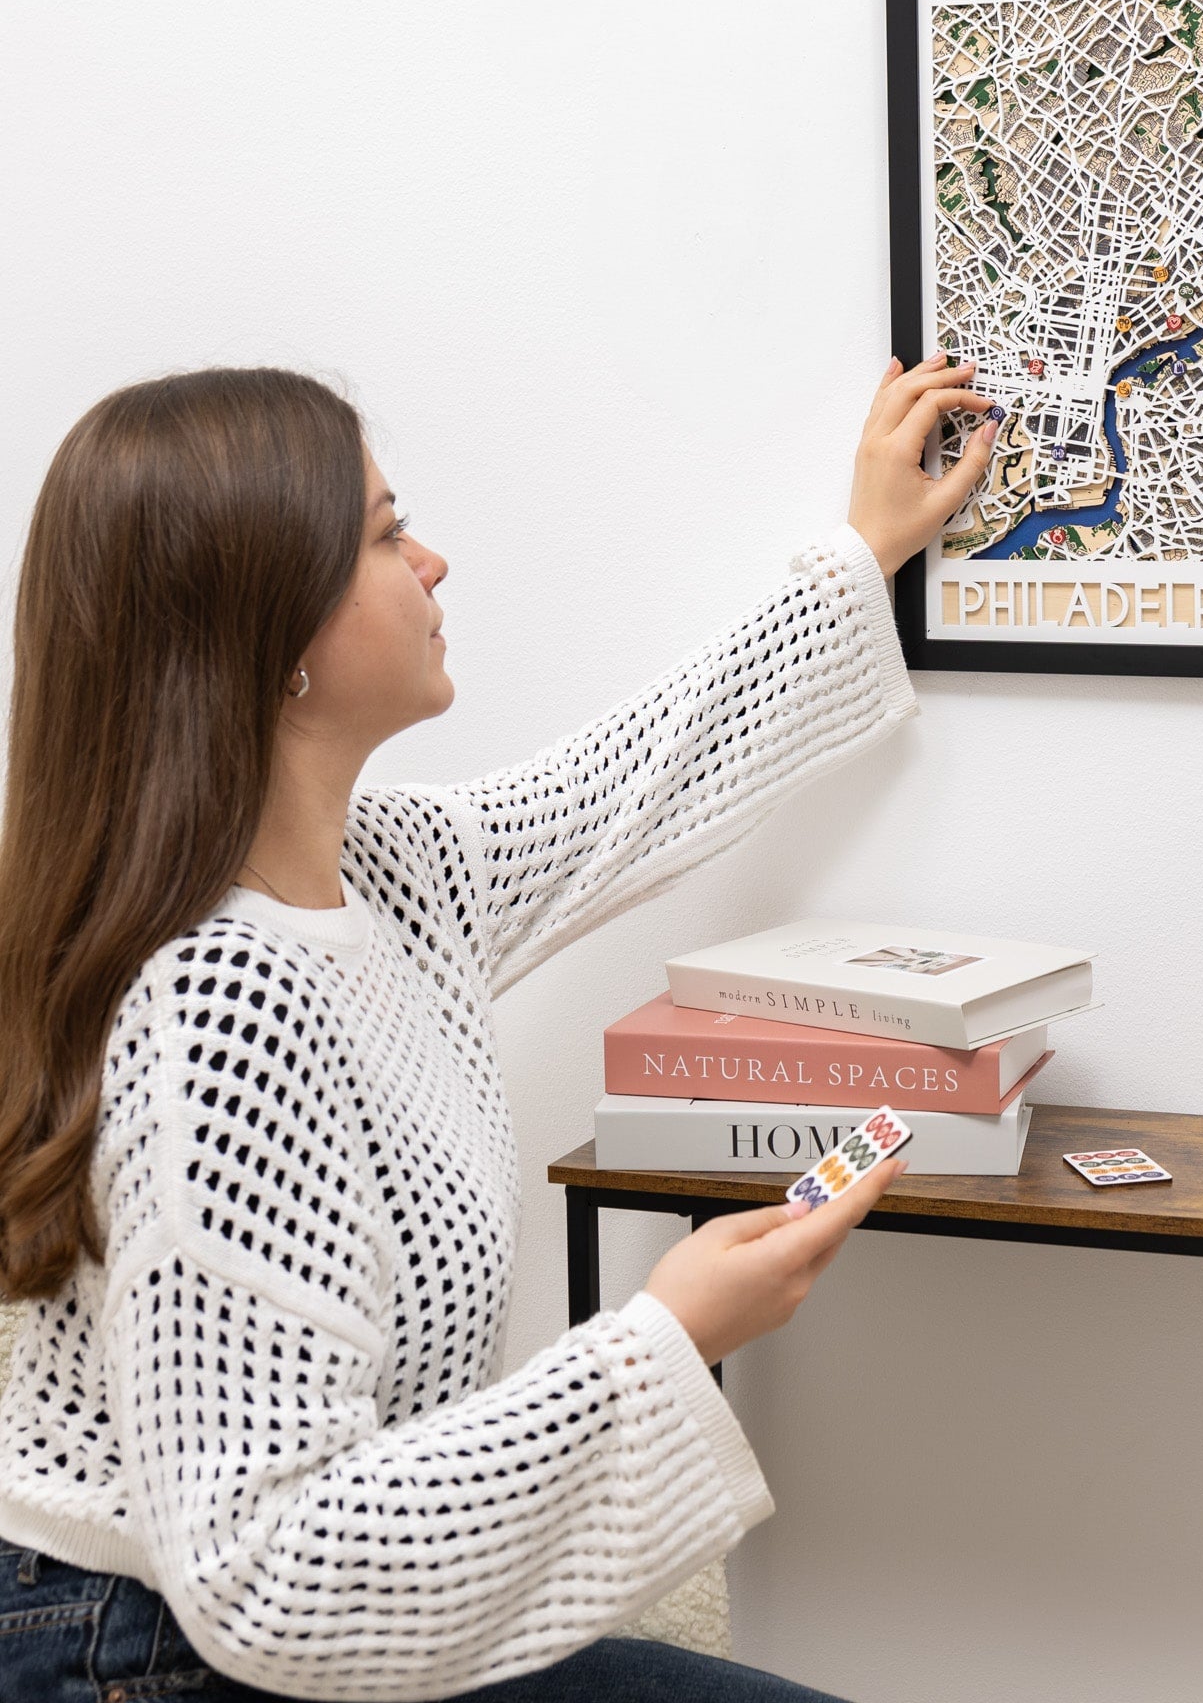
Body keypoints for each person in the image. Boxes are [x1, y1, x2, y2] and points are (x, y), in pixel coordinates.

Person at [0, 357, 995, 1702]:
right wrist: (661, 1335)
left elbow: (629, 786)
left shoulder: (390, 872)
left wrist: (862, 544)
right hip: (149, 1657)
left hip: (291, 1625)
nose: (435, 562)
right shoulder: (214, 1011)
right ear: (269, 633)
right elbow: (264, 1573)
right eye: (385, 533)